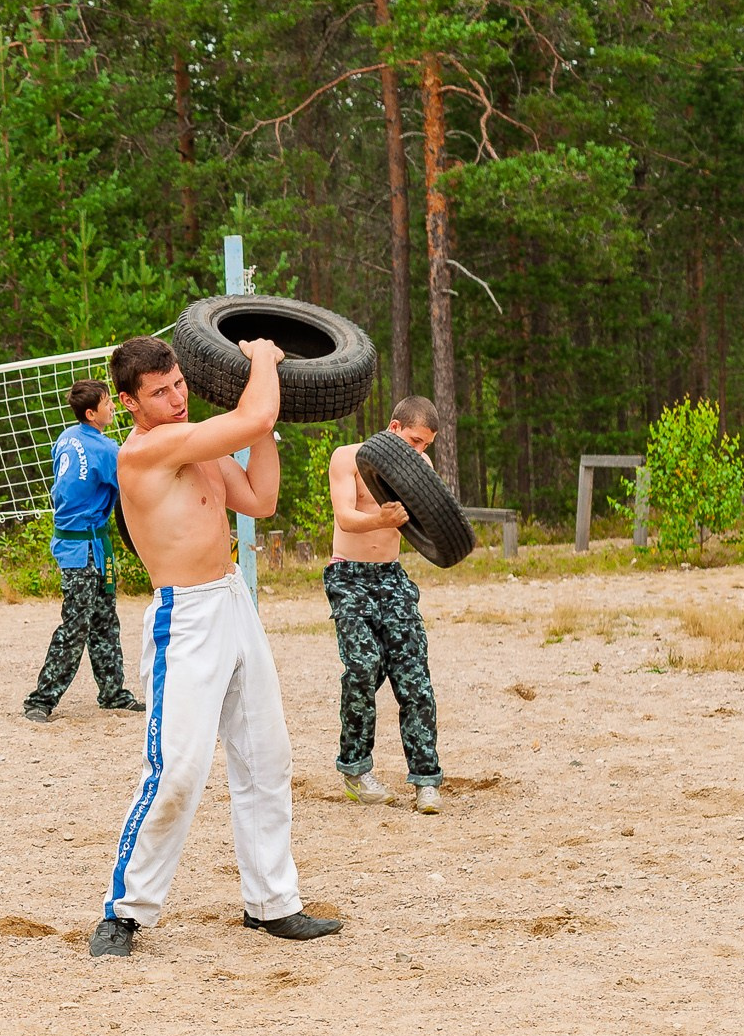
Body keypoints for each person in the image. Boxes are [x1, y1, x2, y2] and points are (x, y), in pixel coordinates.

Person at [90, 335, 339, 958]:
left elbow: (262, 498)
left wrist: (261, 426)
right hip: (187, 616)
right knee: (176, 771)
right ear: (128, 403)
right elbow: (254, 414)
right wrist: (261, 361)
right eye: (159, 392)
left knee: (266, 758)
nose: (175, 398)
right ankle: (125, 911)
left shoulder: (198, 442)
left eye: (178, 384)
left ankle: (271, 903)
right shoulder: (147, 450)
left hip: (233, 602)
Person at [325, 398, 445, 814]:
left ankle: (426, 781)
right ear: (394, 428)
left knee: (414, 678)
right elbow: (345, 516)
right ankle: (356, 770)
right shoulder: (347, 458)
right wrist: (382, 518)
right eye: (414, 441)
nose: (419, 452)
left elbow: (436, 524)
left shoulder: (422, 469)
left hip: (391, 576)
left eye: (425, 445)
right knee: (362, 667)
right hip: (348, 576)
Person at [24, 381, 147, 722]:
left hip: (79, 542)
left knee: (104, 617)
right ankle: (41, 699)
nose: (113, 408)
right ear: (91, 413)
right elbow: (132, 489)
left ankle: (113, 693)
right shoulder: (107, 451)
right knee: (76, 624)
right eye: (108, 403)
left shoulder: (67, 437)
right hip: (84, 547)